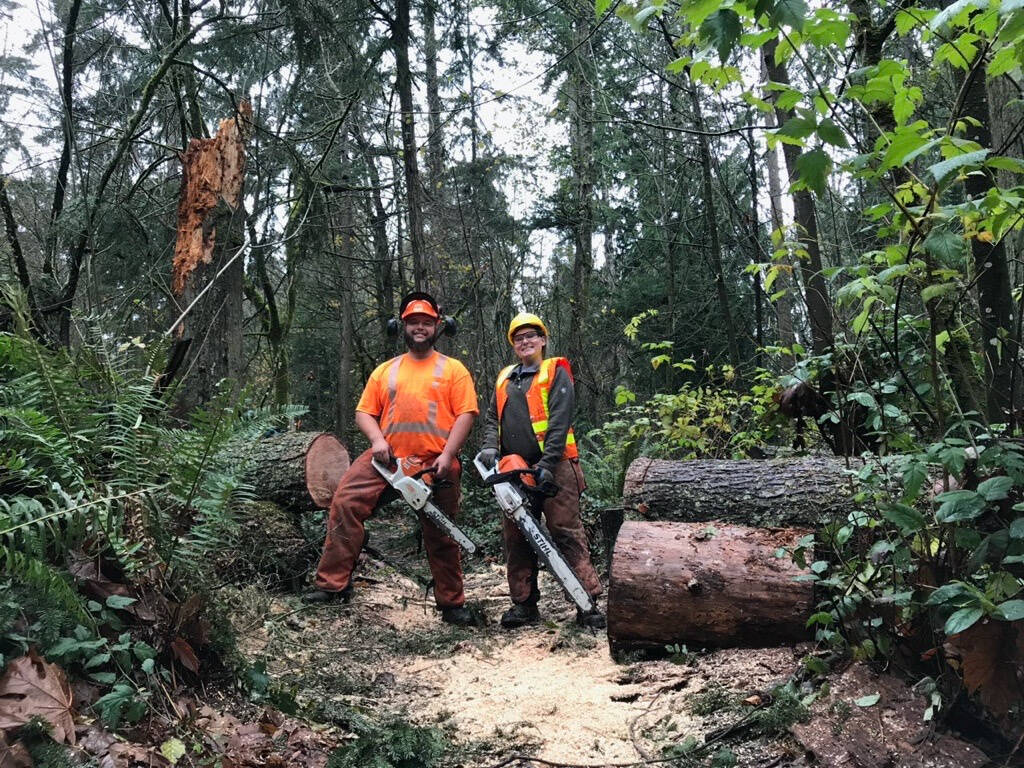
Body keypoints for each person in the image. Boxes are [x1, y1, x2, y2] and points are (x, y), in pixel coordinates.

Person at [305, 292, 478, 626]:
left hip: (432, 460)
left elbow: (466, 414)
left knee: (441, 529)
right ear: (402, 326)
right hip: (388, 458)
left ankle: (451, 603)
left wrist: (448, 454)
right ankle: (332, 584)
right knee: (345, 502)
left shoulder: (453, 369)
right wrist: (377, 440)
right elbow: (364, 412)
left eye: (426, 322)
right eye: (413, 322)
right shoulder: (387, 370)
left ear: (437, 326)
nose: (419, 328)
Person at [479, 312, 605, 629]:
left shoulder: (554, 370)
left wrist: (547, 464)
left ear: (543, 340)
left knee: (565, 530)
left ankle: (586, 601)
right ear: (513, 344)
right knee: (516, 535)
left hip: (556, 464)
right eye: (519, 337)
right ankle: (524, 604)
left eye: (531, 336)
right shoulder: (505, 377)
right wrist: (490, 446)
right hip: (514, 467)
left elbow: (560, 421)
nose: (525, 341)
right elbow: (492, 418)